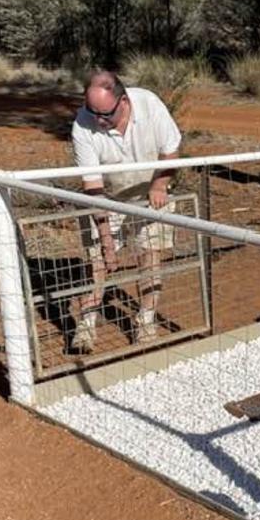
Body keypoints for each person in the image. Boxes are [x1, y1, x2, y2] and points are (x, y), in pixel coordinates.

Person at [70, 70, 182, 353]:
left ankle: (145, 321)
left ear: (124, 102)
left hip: (150, 190)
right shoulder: (83, 124)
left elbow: (171, 150)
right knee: (96, 262)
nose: (98, 120)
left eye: (104, 114)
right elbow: (93, 186)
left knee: (150, 255)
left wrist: (159, 185)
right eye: (91, 111)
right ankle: (86, 327)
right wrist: (107, 240)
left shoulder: (149, 104)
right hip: (107, 196)